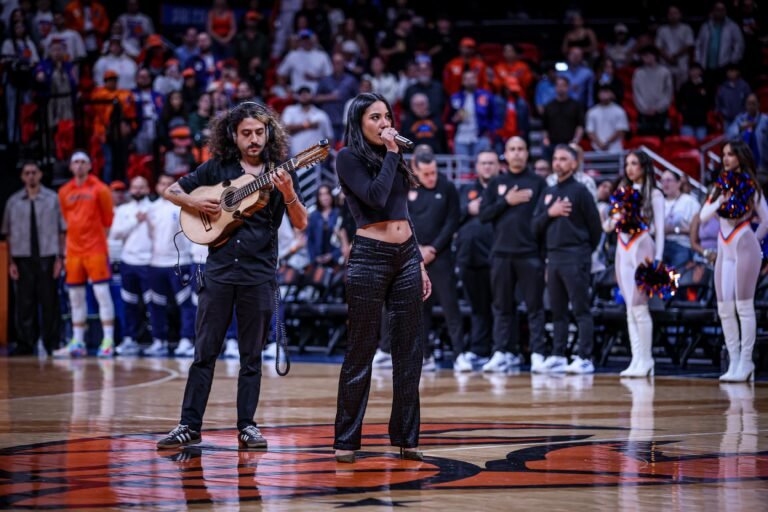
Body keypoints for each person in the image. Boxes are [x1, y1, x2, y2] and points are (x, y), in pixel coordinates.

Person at [156, 101, 307, 450]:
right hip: (219, 272)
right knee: (204, 352)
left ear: (269, 132)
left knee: (251, 357)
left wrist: (288, 194)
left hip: (258, 274)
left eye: (259, 132)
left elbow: (301, 223)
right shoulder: (217, 167)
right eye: (246, 133)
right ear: (234, 136)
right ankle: (188, 425)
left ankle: (247, 426)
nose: (254, 139)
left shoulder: (281, 170)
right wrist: (195, 204)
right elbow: (171, 190)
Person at [333, 92, 431, 463]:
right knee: (361, 350)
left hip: (406, 254)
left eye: (387, 116)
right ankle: (346, 440)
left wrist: (418, 260)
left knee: (410, 351)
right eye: (375, 117)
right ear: (359, 123)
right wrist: (392, 153)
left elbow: (401, 210)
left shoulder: (393, 154)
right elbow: (374, 198)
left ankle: (407, 437)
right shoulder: (347, 157)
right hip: (369, 257)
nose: (385, 123)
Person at [700, 140, 768, 382]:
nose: (726, 158)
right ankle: (734, 361)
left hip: (743, 243)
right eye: (723, 154)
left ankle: (747, 362)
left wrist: (753, 240)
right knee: (724, 308)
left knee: (744, 306)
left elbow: (766, 219)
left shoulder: (751, 185)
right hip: (724, 247)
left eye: (730, 154)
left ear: (741, 156)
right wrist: (721, 198)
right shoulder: (719, 186)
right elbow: (703, 216)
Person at [532, 145, 602, 374]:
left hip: (575, 255)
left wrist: (582, 252)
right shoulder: (548, 191)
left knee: (581, 309)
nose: (558, 163)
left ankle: (584, 357)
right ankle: (559, 355)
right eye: (555, 158)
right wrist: (549, 213)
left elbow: (596, 229)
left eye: (563, 159)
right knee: (557, 310)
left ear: (574, 164)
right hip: (553, 257)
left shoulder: (581, 191)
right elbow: (534, 227)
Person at [479, 137, 546, 372]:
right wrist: (506, 201)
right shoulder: (496, 182)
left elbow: (544, 220)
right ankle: (502, 352)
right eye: (512, 149)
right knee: (502, 307)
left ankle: (537, 353)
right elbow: (484, 214)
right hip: (501, 253)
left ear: (527, 153)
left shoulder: (538, 182)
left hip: (530, 253)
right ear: (505, 154)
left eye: (521, 149)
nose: (516, 153)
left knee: (535, 307)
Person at [603, 151, 665, 377]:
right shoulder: (621, 192)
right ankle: (636, 359)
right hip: (622, 249)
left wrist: (657, 259)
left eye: (634, 164)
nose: (630, 168)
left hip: (642, 247)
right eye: (627, 164)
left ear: (644, 166)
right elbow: (609, 226)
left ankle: (647, 359)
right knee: (630, 308)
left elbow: (660, 230)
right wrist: (610, 218)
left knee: (640, 307)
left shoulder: (654, 194)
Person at [406, 146, 466, 371]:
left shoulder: (447, 186)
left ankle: (460, 354)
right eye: (426, 174)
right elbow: (403, 221)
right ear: (416, 169)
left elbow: (452, 221)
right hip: (415, 257)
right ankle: (425, 356)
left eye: (434, 172)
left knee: (451, 307)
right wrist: (417, 250)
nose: (432, 177)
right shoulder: (408, 187)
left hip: (440, 257)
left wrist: (433, 249)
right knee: (420, 310)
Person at [1, 161, 65, 356]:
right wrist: (11, 262)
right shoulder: (13, 201)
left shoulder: (52, 198)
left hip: (47, 255)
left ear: (40, 175)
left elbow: (62, 230)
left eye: (34, 172)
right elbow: (8, 233)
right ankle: (25, 342)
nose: (30, 176)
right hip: (22, 258)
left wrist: (60, 258)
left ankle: (51, 342)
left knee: (49, 302)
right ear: (22, 177)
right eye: (27, 173)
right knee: (24, 303)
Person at [55, 151, 115, 358]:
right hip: (73, 252)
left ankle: (108, 340)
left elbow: (108, 220)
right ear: (71, 167)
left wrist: (95, 240)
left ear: (90, 166)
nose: (79, 166)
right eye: (76, 162)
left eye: (83, 162)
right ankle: (77, 341)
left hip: (96, 250)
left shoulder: (100, 189)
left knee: (102, 295)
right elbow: (64, 220)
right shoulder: (63, 191)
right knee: (75, 298)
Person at [456, 149, 499, 361]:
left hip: (496, 257)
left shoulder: (503, 189)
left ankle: (501, 350)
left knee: (499, 306)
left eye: (491, 163)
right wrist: (467, 209)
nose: (487, 167)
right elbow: (452, 217)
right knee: (477, 307)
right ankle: (479, 349)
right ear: (477, 167)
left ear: (498, 166)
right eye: (483, 163)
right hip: (468, 257)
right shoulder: (466, 190)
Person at [109, 176, 152, 356]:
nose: (138, 190)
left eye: (141, 187)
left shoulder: (155, 208)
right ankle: (129, 339)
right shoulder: (123, 210)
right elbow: (115, 234)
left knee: (153, 306)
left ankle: (157, 340)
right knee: (129, 304)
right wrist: (135, 221)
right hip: (128, 262)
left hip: (150, 262)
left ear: (148, 189)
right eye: (135, 187)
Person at [661, 170, 700, 268]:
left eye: (669, 180)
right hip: (661, 245)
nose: (665, 184)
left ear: (678, 183)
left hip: (682, 244)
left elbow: (697, 230)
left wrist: (675, 230)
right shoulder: (659, 203)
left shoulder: (689, 202)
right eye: (663, 181)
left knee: (678, 279)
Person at [728, 93, 768, 173]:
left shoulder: (765, 120)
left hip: (763, 166)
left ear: (758, 105)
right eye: (749, 104)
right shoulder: (740, 119)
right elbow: (729, 135)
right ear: (745, 105)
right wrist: (740, 128)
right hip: (744, 165)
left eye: (753, 103)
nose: (751, 106)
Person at [586, 85, 629, 153]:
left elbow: (621, 131)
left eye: (606, 92)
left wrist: (607, 142)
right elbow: (590, 131)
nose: (604, 94)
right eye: (602, 92)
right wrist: (600, 144)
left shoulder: (619, 111)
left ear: (612, 94)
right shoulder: (592, 112)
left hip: (615, 150)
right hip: (596, 150)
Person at [306, 184, 341, 266]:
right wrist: (314, 258)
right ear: (318, 197)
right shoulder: (314, 216)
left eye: (327, 193)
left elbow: (344, 239)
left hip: (337, 260)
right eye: (321, 194)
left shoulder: (338, 213)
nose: (325, 197)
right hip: (318, 261)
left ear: (331, 195)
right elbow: (310, 240)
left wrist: (333, 255)